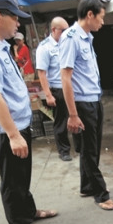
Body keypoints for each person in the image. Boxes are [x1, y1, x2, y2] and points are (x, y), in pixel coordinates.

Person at [0, 0, 57, 224]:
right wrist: (13, 135)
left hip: (18, 123)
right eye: (14, 17)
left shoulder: (0, 45)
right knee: (12, 181)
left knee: (22, 175)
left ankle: (29, 212)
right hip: (7, 130)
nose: (18, 23)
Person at [59, 0, 113, 211]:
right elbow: (66, 77)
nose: (103, 22)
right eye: (100, 17)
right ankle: (101, 194)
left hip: (94, 100)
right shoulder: (71, 38)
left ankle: (86, 186)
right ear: (89, 15)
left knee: (90, 148)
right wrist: (73, 114)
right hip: (83, 104)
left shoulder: (86, 37)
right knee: (91, 150)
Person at [36, 16, 80, 162]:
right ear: (54, 30)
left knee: (77, 118)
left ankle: (79, 147)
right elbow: (41, 73)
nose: (66, 32)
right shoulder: (45, 47)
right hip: (58, 89)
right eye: (63, 30)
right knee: (61, 122)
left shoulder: (69, 43)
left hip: (73, 88)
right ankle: (64, 151)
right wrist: (48, 95)